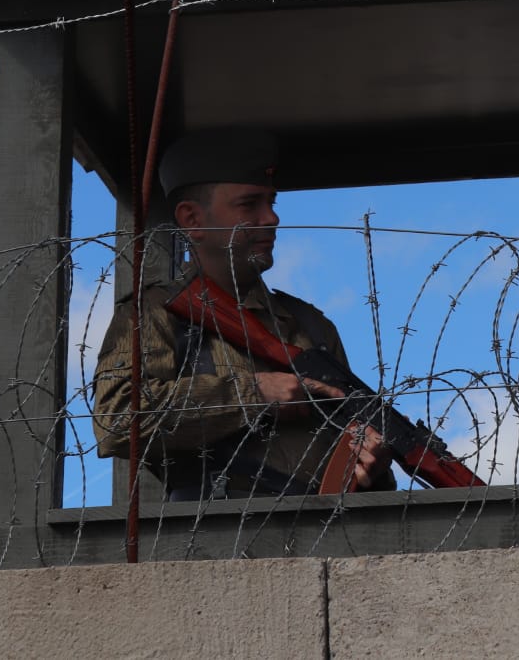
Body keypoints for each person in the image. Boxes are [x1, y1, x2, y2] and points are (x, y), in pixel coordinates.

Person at [92, 127, 392, 500]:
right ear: (193, 220)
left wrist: (372, 465)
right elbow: (118, 419)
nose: (271, 219)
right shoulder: (157, 312)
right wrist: (255, 391)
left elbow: (352, 449)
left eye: (272, 203)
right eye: (249, 204)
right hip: (209, 536)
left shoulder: (311, 326)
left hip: (320, 535)